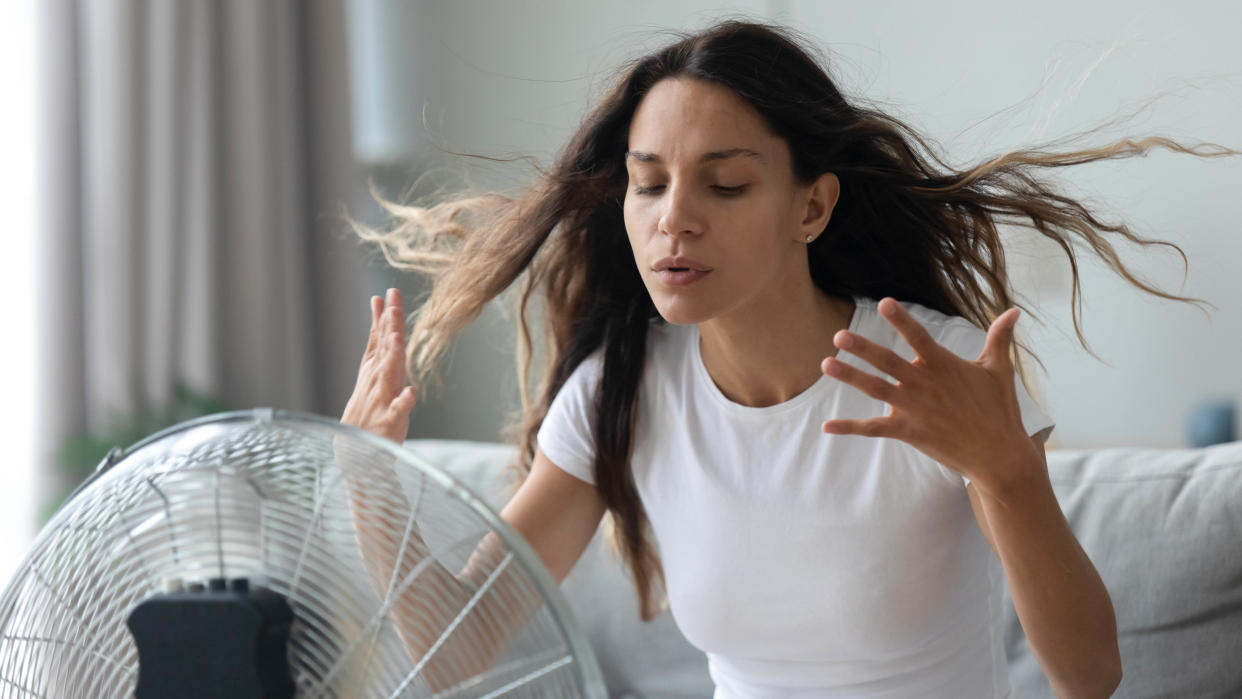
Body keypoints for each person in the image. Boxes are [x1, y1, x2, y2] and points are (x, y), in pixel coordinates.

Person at [340, 19, 1234, 698]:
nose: (672, 218)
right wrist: (366, 476)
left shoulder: (937, 369)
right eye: (648, 183)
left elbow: (1090, 672)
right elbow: (459, 643)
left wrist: (1008, 473)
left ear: (811, 209)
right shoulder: (621, 392)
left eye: (724, 184)